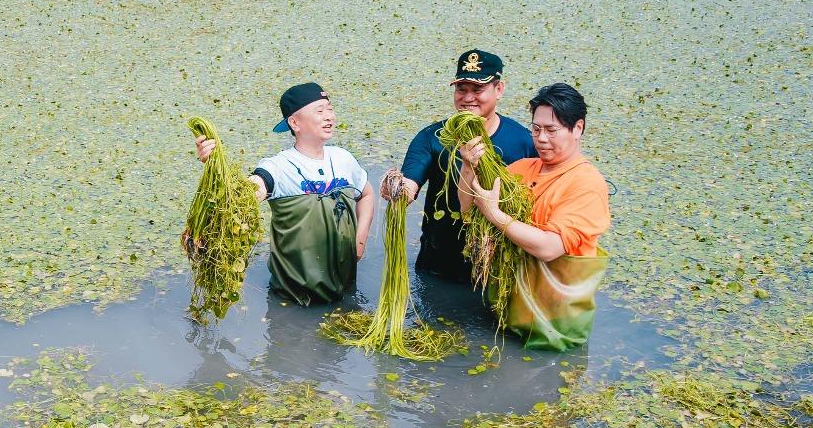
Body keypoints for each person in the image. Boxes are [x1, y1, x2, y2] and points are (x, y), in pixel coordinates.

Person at [193, 82, 376, 306]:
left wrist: (361, 238)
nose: (329, 116)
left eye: (330, 109)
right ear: (295, 122)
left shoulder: (343, 159)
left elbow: (367, 194)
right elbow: (241, 198)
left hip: (344, 286)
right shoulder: (278, 167)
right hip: (295, 297)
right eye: (319, 111)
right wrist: (213, 164)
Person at [464, 83, 611, 349]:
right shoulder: (521, 169)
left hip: (556, 328)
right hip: (508, 316)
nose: (541, 139)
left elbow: (548, 247)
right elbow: (469, 212)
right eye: (536, 129)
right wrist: (469, 166)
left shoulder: (587, 184)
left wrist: (495, 213)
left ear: (577, 128)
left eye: (551, 130)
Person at [387, 49, 536, 282]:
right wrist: (395, 189)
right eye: (461, 89)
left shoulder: (523, 141)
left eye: (478, 90)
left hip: (500, 265)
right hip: (438, 264)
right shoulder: (432, 137)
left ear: (499, 89)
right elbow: (409, 185)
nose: (468, 98)